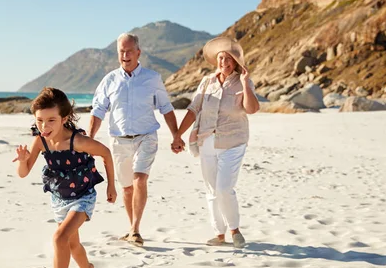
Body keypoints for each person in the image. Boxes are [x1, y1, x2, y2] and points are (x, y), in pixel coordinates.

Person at [13, 87, 116, 268]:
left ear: (65, 118)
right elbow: (23, 173)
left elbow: (106, 153)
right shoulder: (40, 142)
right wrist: (23, 160)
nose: (44, 126)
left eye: (51, 120)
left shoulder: (77, 141)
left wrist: (111, 187)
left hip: (83, 197)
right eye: (39, 120)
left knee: (59, 238)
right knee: (71, 244)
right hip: (59, 199)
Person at [88, 32, 183, 246]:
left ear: (138, 52)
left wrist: (176, 135)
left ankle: (135, 229)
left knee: (140, 179)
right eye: (121, 51)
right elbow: (98, 111)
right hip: (119, 140)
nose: (125, 55)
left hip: (146, 136)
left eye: (129, 51)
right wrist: (90, 139)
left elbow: (166, 108)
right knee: (127, 188)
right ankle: (132, 230)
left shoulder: (152, 78)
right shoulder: (109, 80)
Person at [176, 37, 259, 248]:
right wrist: (178, 134)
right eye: (221, 58)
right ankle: (219, 234)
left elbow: (252, 109)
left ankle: (235, 230)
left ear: (236, 62)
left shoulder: (243, 81)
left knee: (224, 188)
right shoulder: (207, 82)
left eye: (229, 59)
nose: (224, 62)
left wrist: (245, 85)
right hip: (206, 140)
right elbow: (194, 109)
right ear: (216, 60)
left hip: (233, 141)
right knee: (212, 190)